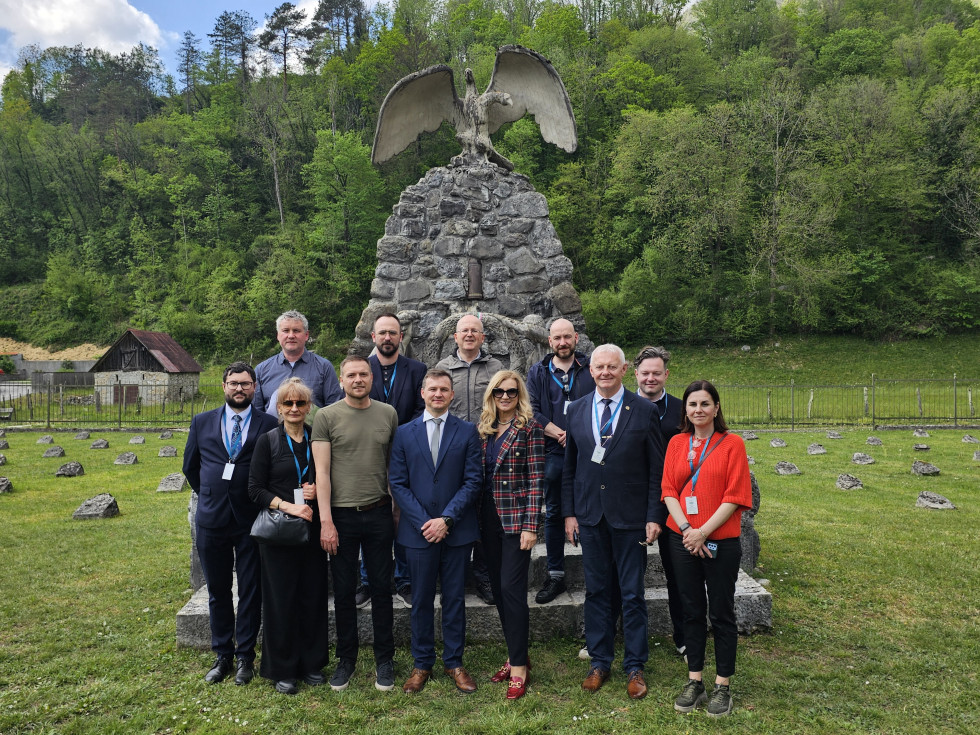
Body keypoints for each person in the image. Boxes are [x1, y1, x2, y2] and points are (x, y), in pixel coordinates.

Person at [562, 344, 666, 700]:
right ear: (590, 371)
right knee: (597, 591)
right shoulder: (575, 410)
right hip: (590, 516)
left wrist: (654, 515)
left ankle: (635, 665)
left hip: (631, 517)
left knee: (633, 593)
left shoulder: (644, 410)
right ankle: (599, 661)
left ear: (624, 370)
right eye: (598, 367)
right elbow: (569, 469)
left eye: (612, 367)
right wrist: (570, 513)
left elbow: (656, 468)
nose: (604, 372)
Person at [183, 362, 278, 685]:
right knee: (218, 590)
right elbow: (190, 467)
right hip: (212, 520)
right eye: (234, 383)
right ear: (224, 386)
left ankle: (245, 658)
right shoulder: (202, 422)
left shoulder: (268, 423)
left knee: (251, 591)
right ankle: (222, 654)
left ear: (254, 388)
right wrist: (211, 493)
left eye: (246, 384)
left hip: (251, 520)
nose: (240, 389)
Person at [661, 380, 752, 718]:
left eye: (704, 404)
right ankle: (695, 679)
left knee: (722, 613)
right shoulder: (676, 442)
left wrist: (702, 532)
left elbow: (736, 495)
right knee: (691, 610)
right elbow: (669, 488)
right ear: (684, 410)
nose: (698, 410)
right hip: (681, 537)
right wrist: (687, 529)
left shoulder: (732, 444)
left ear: (716, 407)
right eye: (692, 404)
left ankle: (722, 684)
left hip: (720, 540)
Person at [388, 369, 483, 694]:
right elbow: (398, 483)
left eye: (444, 389)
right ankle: (422, 663)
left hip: (456, 532)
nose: (438, 394)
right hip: (417, 533)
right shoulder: (403, 433)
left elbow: (473, 481)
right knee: (421, 600)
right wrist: (424, 522)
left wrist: (446, 519)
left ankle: (455, 662)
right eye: (433, 389)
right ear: (423, 393)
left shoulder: (468, 432)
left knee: (455, 599)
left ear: (451, 395)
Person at [312, 355, 399, 692]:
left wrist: (395, 510)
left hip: (378, 512)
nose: (358, 379)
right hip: (341, 516)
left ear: (371, 378)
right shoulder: (326, 416)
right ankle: (346, 658)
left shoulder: (387, 414)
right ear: (341, 380)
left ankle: (384, 659)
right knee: (345, 592)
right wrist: (326, 522)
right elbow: (321, 473)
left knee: (381, 589)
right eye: (351, 375)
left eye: (364, 374)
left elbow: (393, 466)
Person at [247, 378, 330, 695]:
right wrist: (288, 505)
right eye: (288, 404)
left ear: (309, 407)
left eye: (300, 403)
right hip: (280, 532)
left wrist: (315, 489)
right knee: (281, 601)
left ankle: (311, 663)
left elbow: (328, 476)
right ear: (278, 408)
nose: (294, 409)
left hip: (311, 531)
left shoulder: (317, 439)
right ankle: (282, 668)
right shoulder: (268, 441)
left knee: (312, 597)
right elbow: (254, 489)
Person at [476, 370, 544, 700]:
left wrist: (532, 525)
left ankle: (519, 669)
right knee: (499, 593)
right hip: (486, 520)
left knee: (511, 589)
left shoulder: (529, 427)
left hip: (516, 521)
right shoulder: (484, 427)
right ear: (491, 395)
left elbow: (536, 480)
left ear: (520, 396)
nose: (505, 397)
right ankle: (516, 653)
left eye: (512, 393)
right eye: (500, 392)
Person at [359, 313, 427, 607]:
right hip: (368, 455)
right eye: (382, 333)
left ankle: (404, 579)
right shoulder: (362, 369)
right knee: (368, 518)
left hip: (406, 455)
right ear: (373, 337)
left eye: (393, 333)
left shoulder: (417, 369)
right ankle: (367, 580)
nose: (388, 338)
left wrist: (399, 438)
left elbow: (421, 408)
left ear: (401, 337)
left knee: (402, 517)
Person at [526, 318, 595, 604]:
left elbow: (600, 401)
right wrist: (559, 433)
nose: (563, 342)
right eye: (557, 338)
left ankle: (596, 573)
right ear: (549, 341)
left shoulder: (591, 368)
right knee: (554, 511)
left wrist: (577, 435)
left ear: (575, 338)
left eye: (568, 337)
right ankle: (555, 575)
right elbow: (531, 409)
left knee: (591, 509)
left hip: (590, 450)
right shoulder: (537, 372)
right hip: (553, 450)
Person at [435, 313, 502, 605]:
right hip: (451, 449)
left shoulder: (496, 367)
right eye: (465, 331)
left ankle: (484, 575)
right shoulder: (442, 368)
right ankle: (455, 573)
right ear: (456, 337)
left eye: (475, 331)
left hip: (488, 448)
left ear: (483, 337)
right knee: (455, 508)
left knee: (485, 513)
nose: (470, 335)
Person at [634, 346, 686, 659]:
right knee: (623, 575)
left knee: (677, 573)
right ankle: (609, 634)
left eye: (657, 372)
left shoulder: (682, 410)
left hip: (674, 504)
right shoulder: (622, 406)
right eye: (645, 372)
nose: (651, 378)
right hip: (633, 502)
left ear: (666, 375)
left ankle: (683, 634)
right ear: (635, 374)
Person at [253, 311, 343, 411]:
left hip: (315, 427)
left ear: (306, 335)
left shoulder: (324, 367)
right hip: (272, 426)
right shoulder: (261, 370)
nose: (291, 336)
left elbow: (334, 408)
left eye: (296, 331)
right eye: (286, 331)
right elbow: (256, 412)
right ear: (278, 335)